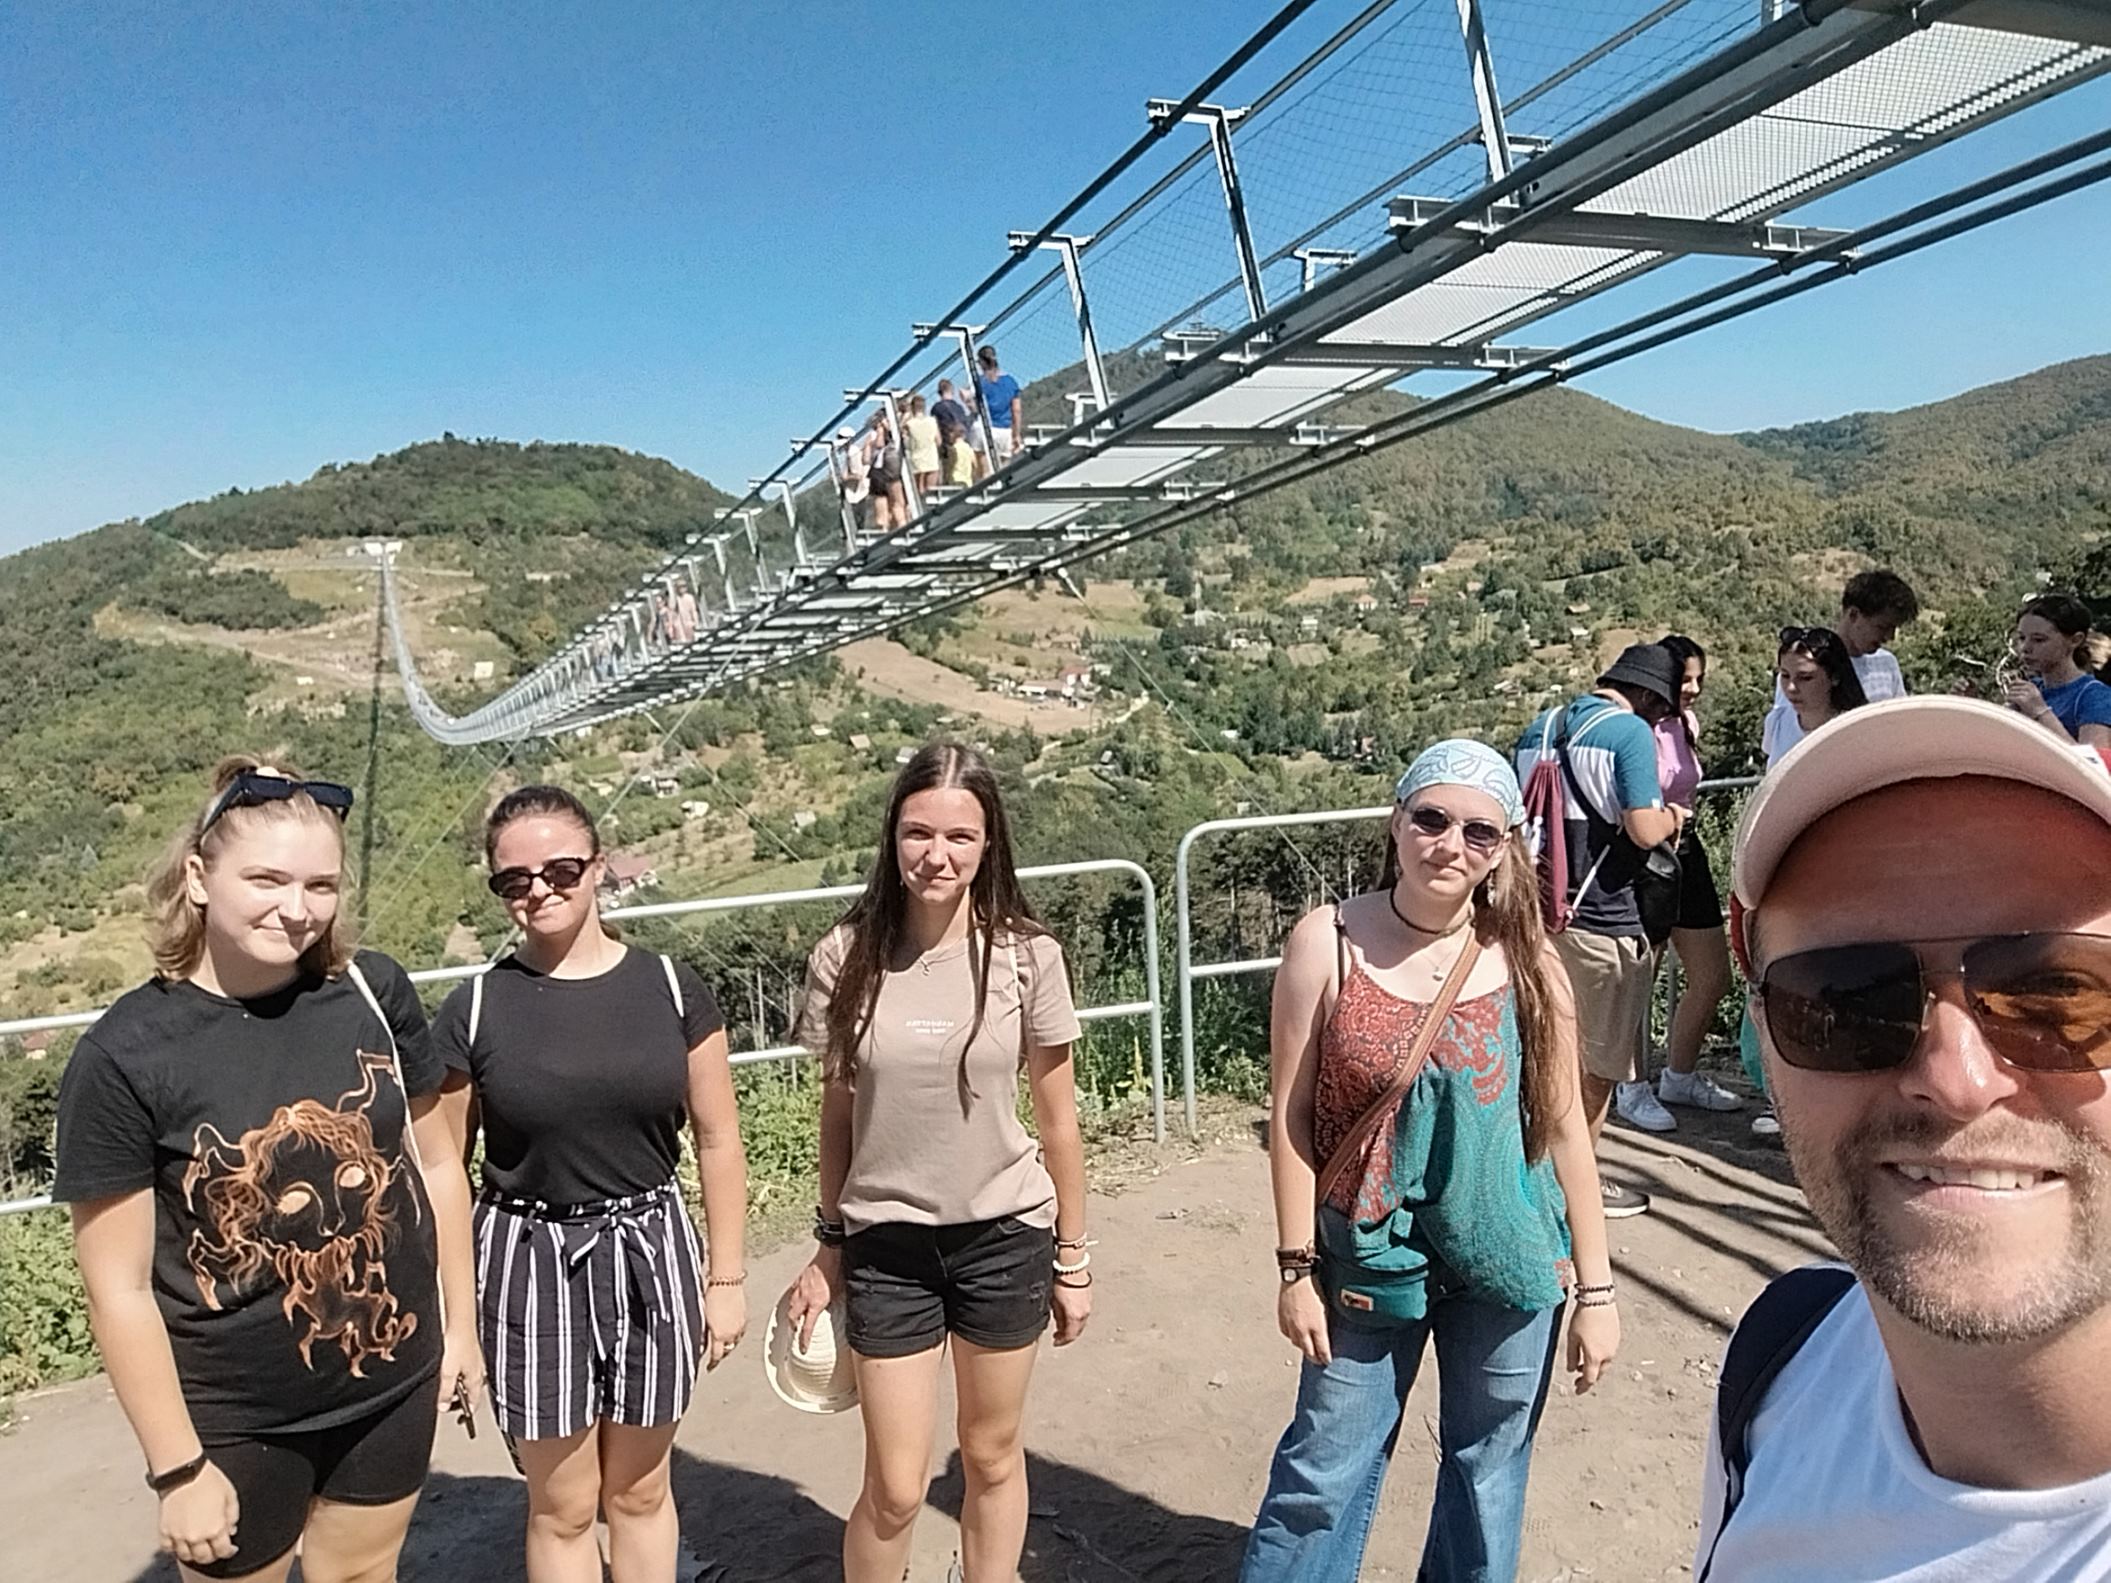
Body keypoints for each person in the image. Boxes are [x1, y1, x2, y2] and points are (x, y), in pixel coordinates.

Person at [1694, 696, 2111, 1580]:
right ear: (1761, 1033)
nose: (1957, 1080)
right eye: (1846, 1000)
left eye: (2057, 995)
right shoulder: (1778, 1371)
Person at [54, 758, 482, 1582]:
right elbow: (119, 1288)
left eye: (321, 884)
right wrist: (177, 1468)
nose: (297, 909)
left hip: (391, 1374)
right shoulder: (125, 1055)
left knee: (364, 1571)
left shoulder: (372, 989)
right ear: (197, 878)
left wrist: (459, 1328)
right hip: (236, 1416)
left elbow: (436, 1164)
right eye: (266, 879)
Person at [1241, 740, 1619, 1582]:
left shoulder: (1528, 961)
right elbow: (1291, 1116)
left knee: (1488, 1476)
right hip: (1368, 1254)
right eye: (1432, 819)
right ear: (1396, 821)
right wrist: (1294, 1266)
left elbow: (1566, 1130)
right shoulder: (1328, 942)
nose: (1450, 844)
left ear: (1503, 847)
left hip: (1508, 1257)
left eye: (1479, 831)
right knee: (1321, 1470)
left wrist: (1595, 1292)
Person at [782, 742, 1092, 1583]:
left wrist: (1072, 1259)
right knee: (894, 1485)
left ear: (989, 844)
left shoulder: (1029, 956)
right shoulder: (844, 955)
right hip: (887, 1245)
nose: (937, 855)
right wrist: (828, 1246)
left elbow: (1059, 1124)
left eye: (960, 835)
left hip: (1004, 1236)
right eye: (918, 832)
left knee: (990, 1456)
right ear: (892, 836)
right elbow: (837, 1114)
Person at [428, 785, 747, 1583]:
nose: (539, 888)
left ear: (598, 867)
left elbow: (717, 1137)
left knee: (639, 1491)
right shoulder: (474, 1010)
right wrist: (460, 1326)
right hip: (527, 1257)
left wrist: (726, 1278)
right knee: (564, 1506)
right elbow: (445, 1173)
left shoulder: (671, 988)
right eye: (514, 879)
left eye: (560, 869)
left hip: (650, 1246)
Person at [1514, 644, 1687, 1218]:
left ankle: (1532, 1179)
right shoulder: (1627, 733)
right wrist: (1673, 817)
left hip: (1534, 920)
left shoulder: (1541, 728)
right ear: (1649, 698)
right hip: (1602, 922)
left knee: (1544, 1059)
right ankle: (1576, 1193)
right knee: (1596, 1069)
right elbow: (1642, 829)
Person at [1633, 634, 1742, 1130]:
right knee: (1641, 980)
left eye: (1700, 679)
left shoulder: (1685, 724)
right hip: (1646, 853)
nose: (1694, 689)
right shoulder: (1637, 730)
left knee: (1713, 975)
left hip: (1687, 848)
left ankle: (1678, 1076)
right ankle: (1631, 1087)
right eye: (1685, 679)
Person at [1762, 568, 1917, 761]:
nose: (1889, 637)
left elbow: (1898, 723)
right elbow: (1785, 736)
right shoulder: (1805, 665)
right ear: (1853, 615)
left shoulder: (1887, 663)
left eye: (1894, 629)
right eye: (1882, 627)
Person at [2007, 592, 2111, 749]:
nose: (2025, 648)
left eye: (2039, 640)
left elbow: (2092, 762)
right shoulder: (2034, 689)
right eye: (2022, 638)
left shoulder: (2094, 696)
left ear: (2075, 640)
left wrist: (2041, 713)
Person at [1768, 627, 1869, 770]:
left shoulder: (1855, 730)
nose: (1791, 687)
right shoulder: (1777, 721)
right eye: (1785, 675)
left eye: (1805, 678)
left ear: (1834, 677)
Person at [976, 345, 1023, 465]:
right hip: (1004, 430)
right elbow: (1016, 410)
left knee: (985, 471)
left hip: (984, 428)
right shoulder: (1011, 382)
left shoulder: (979, 382)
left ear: (982, 362)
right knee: (1004, 469)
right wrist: (1016, 434)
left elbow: (973, 405)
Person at [903, 392, 941, 500]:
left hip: (916, 459)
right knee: (931, 492)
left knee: (918, 493)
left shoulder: (909, 424)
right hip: (931, 458)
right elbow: (938, 441)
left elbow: (903, 439)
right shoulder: (932, 421)